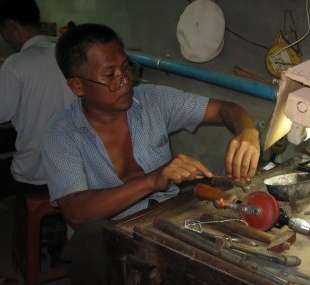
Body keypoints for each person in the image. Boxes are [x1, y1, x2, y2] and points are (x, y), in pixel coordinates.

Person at [42, 23, 260, 284]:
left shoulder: (152, 101)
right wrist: (152, 180)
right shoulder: (62, 132)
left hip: (165, 217)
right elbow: (76, 213)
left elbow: (227, 109)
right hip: (109, 235)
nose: (124, 80)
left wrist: (247, 132)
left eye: (125, 67)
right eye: (110, 75)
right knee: (94, 240)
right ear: (78, 86)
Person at [0, 0, 75, 207]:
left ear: (11, 27)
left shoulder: (16, 64)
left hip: (36, 177)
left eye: (1, 31)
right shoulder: (68, 55)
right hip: (74, 170)